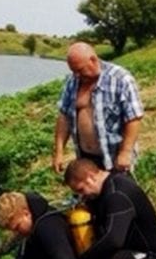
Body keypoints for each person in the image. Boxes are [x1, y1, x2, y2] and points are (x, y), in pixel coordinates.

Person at [52, 42, 144, 174]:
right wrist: (59, 152)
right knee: (89, 191)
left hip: (115, 158)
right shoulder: (72, 81)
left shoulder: (120, 79)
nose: (77, 75)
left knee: (117, 193)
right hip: (85, 157)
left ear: (93, 60)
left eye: (80, 70)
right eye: (73, 71)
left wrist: (125, 152)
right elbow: (64, 116)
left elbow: (134, 117)